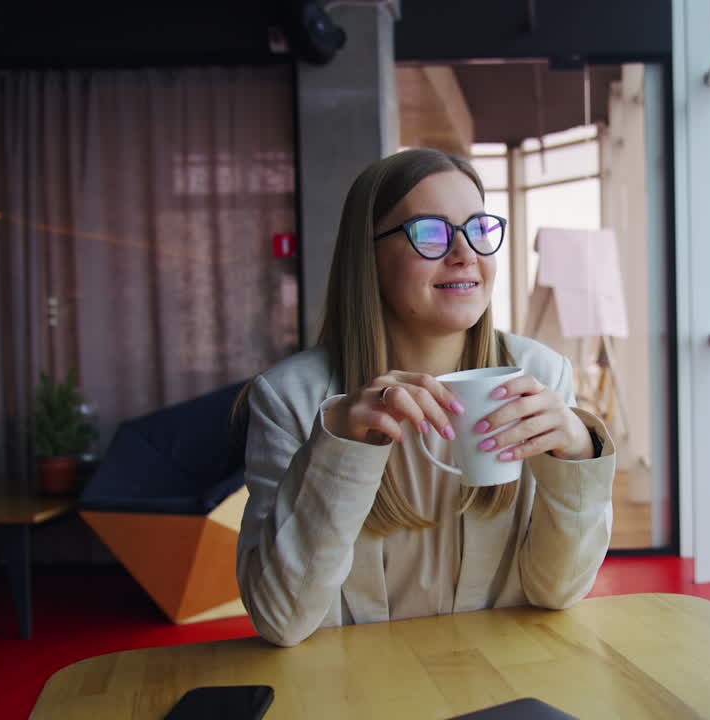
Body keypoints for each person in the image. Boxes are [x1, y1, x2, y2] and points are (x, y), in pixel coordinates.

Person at [237, 148, 616, 647]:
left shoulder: (540, 376)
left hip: (503, 678)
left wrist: (577, 458)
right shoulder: (291, 399)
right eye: (430, 233)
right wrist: (340, 451)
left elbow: (558, 591)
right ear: (367, 254)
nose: (466, 253)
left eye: (478, 228)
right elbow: (281, 620)